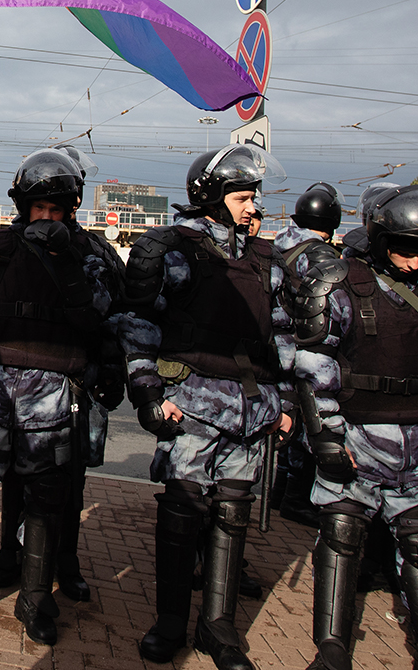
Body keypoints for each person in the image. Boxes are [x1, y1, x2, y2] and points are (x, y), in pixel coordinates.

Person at [288, 184, 418, 670]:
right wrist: (327, 438)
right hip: (358, 438)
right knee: (340, 534)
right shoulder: (339, 284)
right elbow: (315, 367)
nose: (414, 262)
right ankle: (331, 649)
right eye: (403, 248)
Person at [117, 144, 293, 670]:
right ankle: (170, 620)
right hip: (190, 404)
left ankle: (217, 626)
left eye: (252, 197)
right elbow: (139, 325)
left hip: (250, 409)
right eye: (241, 196)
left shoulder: (266, 260)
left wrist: (287, 403)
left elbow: (282, 339)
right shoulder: (173, 250)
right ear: (212, 198)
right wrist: (148, 392)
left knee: (233, 514)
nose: (251, 206)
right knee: (182, 512)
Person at [0, 149, 119, 645]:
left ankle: (35, 600)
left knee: (45, 496)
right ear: (23, 206)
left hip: (54, 389)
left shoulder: (90, 255)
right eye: (38, 208)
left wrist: (68, 267)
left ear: (72, 209)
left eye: (55, 210)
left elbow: (103, 318)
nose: (46, 217)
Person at [271, 182, 346, 528]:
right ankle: (295, 498)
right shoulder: (321, 255)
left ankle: (277, 491)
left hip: (276, 342)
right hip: (305, 343)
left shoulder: (280, 244)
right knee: (307, 420)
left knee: (286, 416)